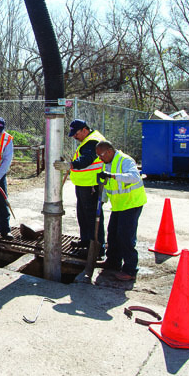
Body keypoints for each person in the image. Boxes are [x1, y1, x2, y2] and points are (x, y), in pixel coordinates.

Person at [95, 140, 147, 281]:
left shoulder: (125, 160)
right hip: (119, 205)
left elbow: (134, 177)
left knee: (125, 236)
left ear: (109, 151)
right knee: (113, 234)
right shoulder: (106, 163)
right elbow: (107, 185)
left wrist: (112, 175)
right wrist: (102, 200)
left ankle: (130, 270)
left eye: (101, 155)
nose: (100, 159)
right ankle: (113, 262)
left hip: (131, 204)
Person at [63, 119, 106, 255]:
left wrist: (71, 165)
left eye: (76, 134)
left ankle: (97, 249)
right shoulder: (88, 140)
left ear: (84, 130)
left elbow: (87, 159)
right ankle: (86, 241)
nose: (75, 137)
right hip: (84, 184)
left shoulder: (93, 141)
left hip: (91, 185)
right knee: (83, 215)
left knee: (93, 217)